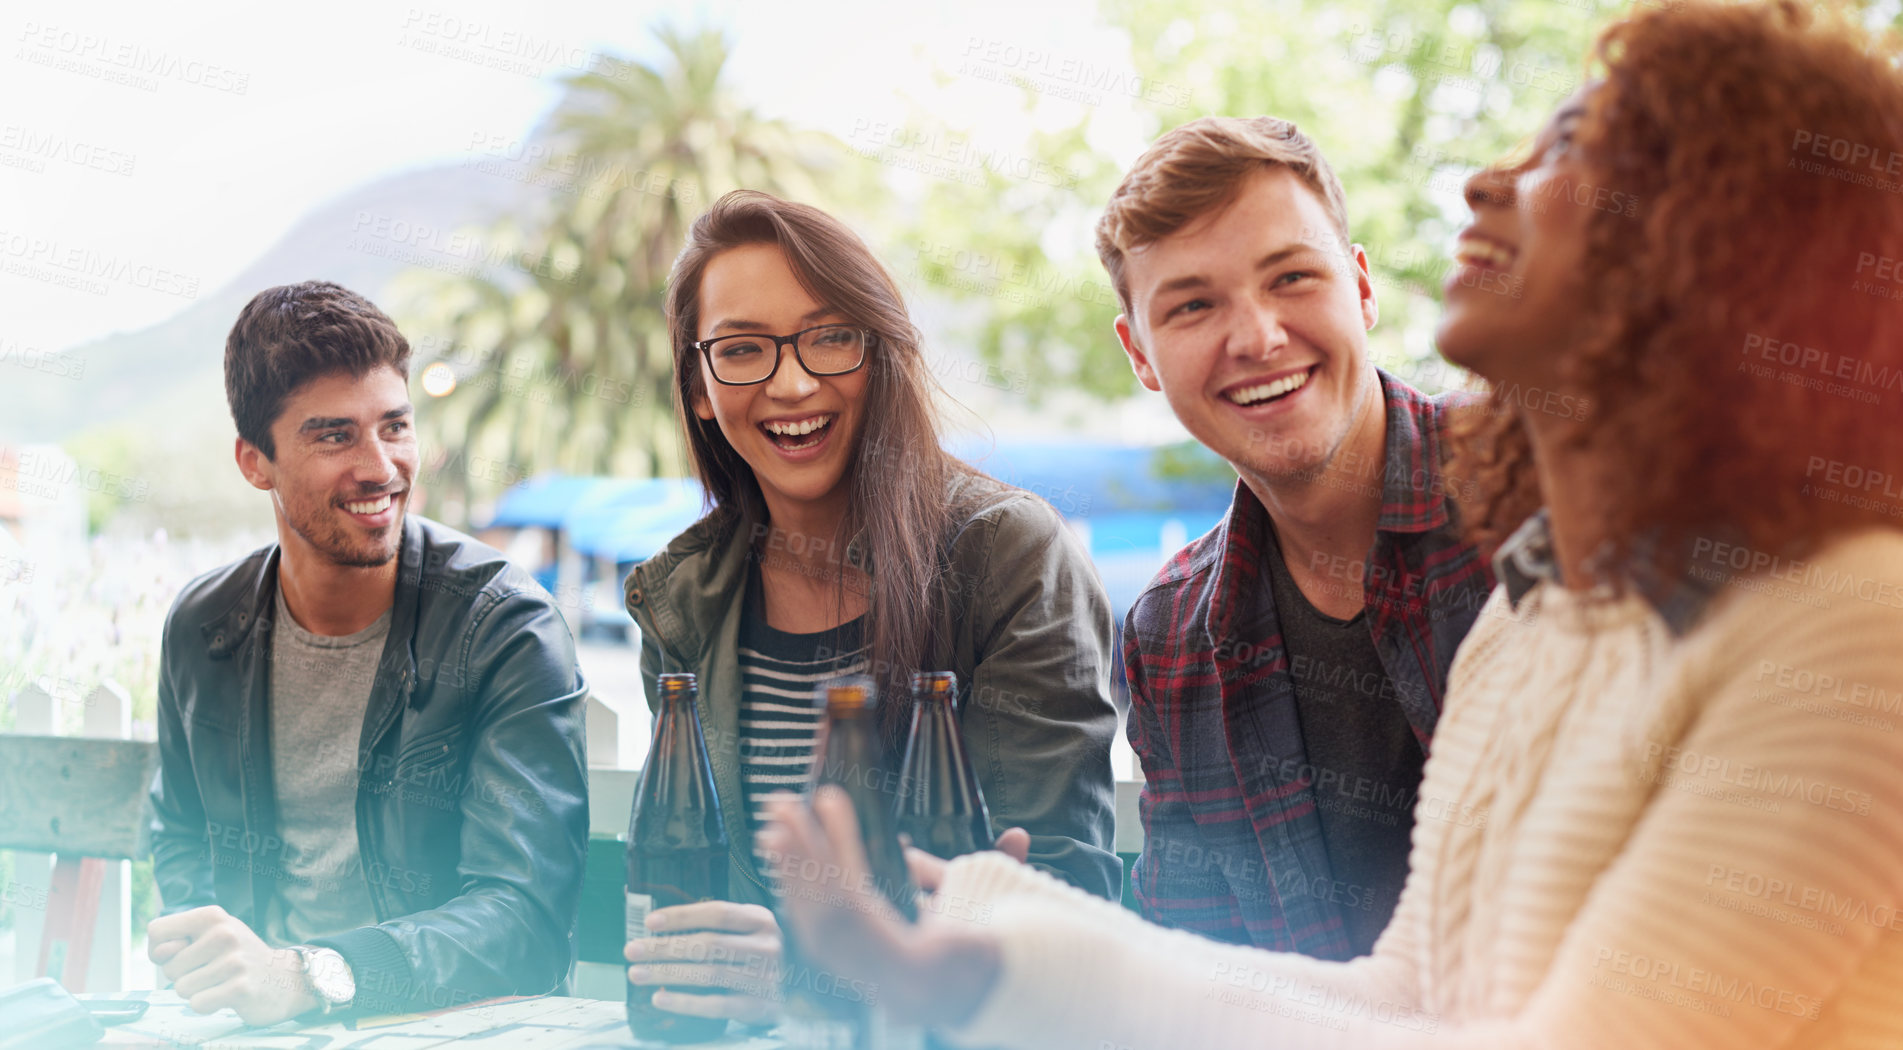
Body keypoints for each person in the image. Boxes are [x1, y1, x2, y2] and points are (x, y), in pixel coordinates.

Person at [761, 1, 1903, 1046]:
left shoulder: (1851, 627)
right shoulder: (1542, 611)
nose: (1482, 182)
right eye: (1194, 303)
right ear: (1140, 357)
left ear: (1709, 243)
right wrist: (974, 915)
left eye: (1567, 150)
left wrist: (984, 979)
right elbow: (1404, 994)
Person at [620, 191, 1120, 1025]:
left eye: (828, 338)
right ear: (700, 389)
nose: (791, 381)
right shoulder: (681, 602)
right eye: (742, 350)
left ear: (880, 353)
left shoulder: (1006, 555)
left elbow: (1060, 897)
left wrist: (801, 973)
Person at [146, 281, 590, 1025]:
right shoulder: (203, 626)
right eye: (333, 435)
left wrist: (309, 975)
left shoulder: (503, 626)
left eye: (394, 426)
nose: (380, 467)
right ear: (255, 462)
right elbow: (181, 836)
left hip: (454, 1027)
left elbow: (525, 920)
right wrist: (220, 970)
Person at [1108, 116, 1495, 957]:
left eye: (1290, 277)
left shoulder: (1539, 486)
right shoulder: (1165, 634)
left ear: (1360, 288)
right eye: (1192, 304)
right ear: (1139, 354)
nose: (1255, 338)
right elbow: (1196, 966)